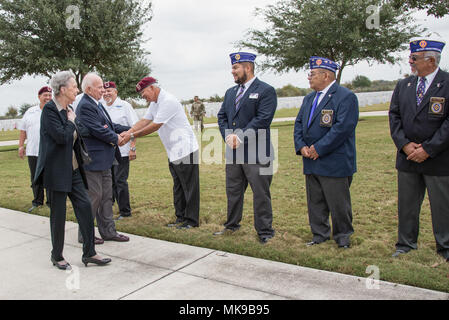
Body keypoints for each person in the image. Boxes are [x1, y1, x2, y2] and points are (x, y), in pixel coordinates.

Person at [33, 71, 111, 270]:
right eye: (74, 86)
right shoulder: (50, 110)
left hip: (74, 170)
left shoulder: (69, 108)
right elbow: (62, 137)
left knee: (85, 208)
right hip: (56, 171)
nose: (77, 89)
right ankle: (56, 255)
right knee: (58, 215)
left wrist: (73, 120)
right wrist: (70, 121)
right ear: (62, 89)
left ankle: (90, 253)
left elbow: (79, 135)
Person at [389, 39, 449, 261]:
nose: (410, 62)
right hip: (407, 158)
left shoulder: (447, 83)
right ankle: (405, 243)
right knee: (407, 205)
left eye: (414, 58)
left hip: (438, 158)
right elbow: (394, 116)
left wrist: (429, 148)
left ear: (431, 60)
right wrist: (404, 144)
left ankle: (445, 246)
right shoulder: (404, 85)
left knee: (442, 206)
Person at [294, 56, 359, 249]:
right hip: (311, 161)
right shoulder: (308, 98)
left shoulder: (345, 97)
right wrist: (301, 146)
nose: (309, 77)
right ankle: (319, 234)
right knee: (315, 201)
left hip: (334, 161)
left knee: (338, 202)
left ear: (326, 75)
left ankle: (343, 236)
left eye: (312, 74)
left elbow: (342, 128)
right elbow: (299, 124)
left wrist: (318, 149)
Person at [120, 77, 200, 229]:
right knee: (178, 186)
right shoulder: (155, 103)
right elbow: (144, 120)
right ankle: (180, 216)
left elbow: (155, 126)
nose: (144, 97)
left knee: (189, 187)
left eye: (144, 94)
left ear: (152, 88)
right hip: (173, 151)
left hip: (185, 149)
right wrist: (129, 131)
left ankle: (192, 221)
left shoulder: (167, 101)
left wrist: (131, 136)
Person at [215, 52, 277, 244]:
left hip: (257, 152)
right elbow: (222, 117)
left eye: (235, 68)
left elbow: (263, 119)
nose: (232, 71)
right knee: (233, 191)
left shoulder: (266, 90)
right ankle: (232, 225)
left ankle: (265, 231)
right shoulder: (230, 92)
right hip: (233, 152)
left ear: (247, 68)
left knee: (260, 193)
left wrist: (240, 137)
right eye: (232, 67)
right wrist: (228, 136)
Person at [75, 73, 130, 243]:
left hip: (106, 159)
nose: (103, 90)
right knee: (94, 197)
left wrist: (132, 129)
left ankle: (108, 231)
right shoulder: (85, 106)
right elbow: (97, 129)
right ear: (89, 88)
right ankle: (85, 234)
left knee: (106, 196)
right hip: (93, 161)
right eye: (99, 87)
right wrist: (117, 138)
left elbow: (110, 126)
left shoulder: (97, 104)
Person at [102, 81, 139, 220]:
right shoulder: (101, 106)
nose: (106, 94)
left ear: (116, 92)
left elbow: (135, 128)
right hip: (107, 152)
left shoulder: (124, 106)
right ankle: (109, 209)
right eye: (104, 91)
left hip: (122, 151)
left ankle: (125, 212)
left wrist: (132, 148)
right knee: (109, 182)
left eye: (109, 91)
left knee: (120, 181)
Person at [17, 86, 52, 212]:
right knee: (36, 177)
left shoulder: (54, 110)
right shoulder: (30, 112)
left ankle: (51, 202)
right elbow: (23, 130)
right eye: (45, 95)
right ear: (39, 97)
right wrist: (21, 146)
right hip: (33, 151)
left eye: (49, 95)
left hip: (49, 151)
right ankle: (37, 201)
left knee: (49, 177)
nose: (47, 98)